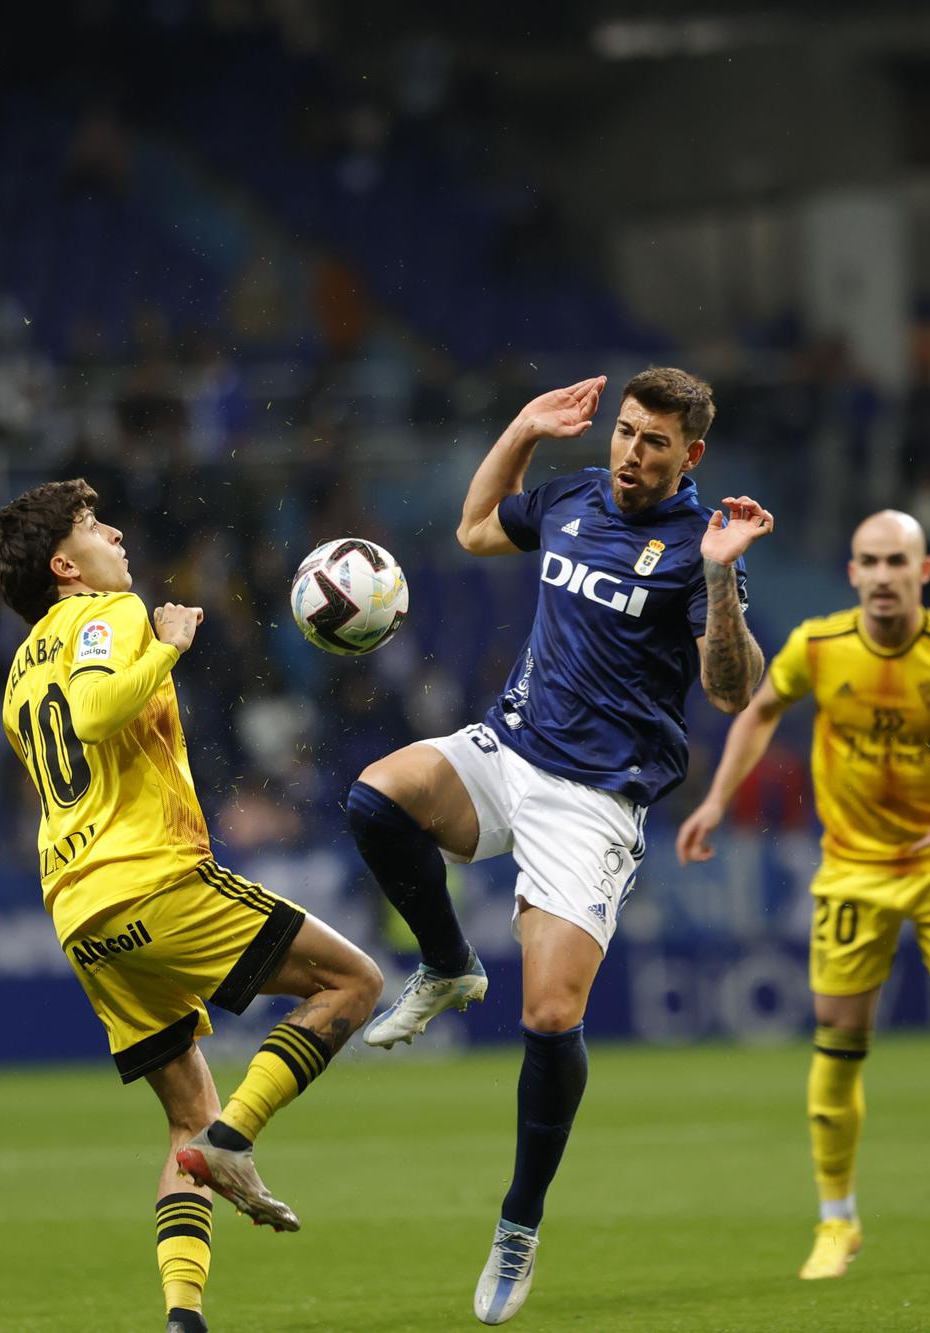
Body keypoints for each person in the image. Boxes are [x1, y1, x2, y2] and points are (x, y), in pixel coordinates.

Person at [346, 369, 773, 1324]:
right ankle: (448, 966)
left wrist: (717, 571)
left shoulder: (700, 546)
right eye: (625, 433)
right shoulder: (576, 494)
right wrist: (525, 425)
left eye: (654, 443)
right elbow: (473, 528)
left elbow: (733, 691)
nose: (630, 453)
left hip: (593, 803)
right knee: (376, 798)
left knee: (548, 1014)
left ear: (690, 456)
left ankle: (519, 1223)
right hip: (509, 748)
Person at [0, 480, 383, 1333]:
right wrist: (163, 644)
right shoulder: (111, 613)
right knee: (353, 981)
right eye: (93, 525)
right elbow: (93, 710)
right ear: (65, 565)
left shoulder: (18, 672)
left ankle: (182, 1315)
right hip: (153, 878)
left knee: (183, 1119)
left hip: (81, 915)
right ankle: (237, 1139)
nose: (116, 532)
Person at [675, 509, 930, 1279]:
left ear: (923, 572)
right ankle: (836, 1219)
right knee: (838, 1043)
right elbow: (758, 709)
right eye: (869, 560)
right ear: (852, 572)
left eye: (898, 561)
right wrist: (719, 798)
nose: (884, 574)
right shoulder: (820, 647)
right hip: (853, 868)